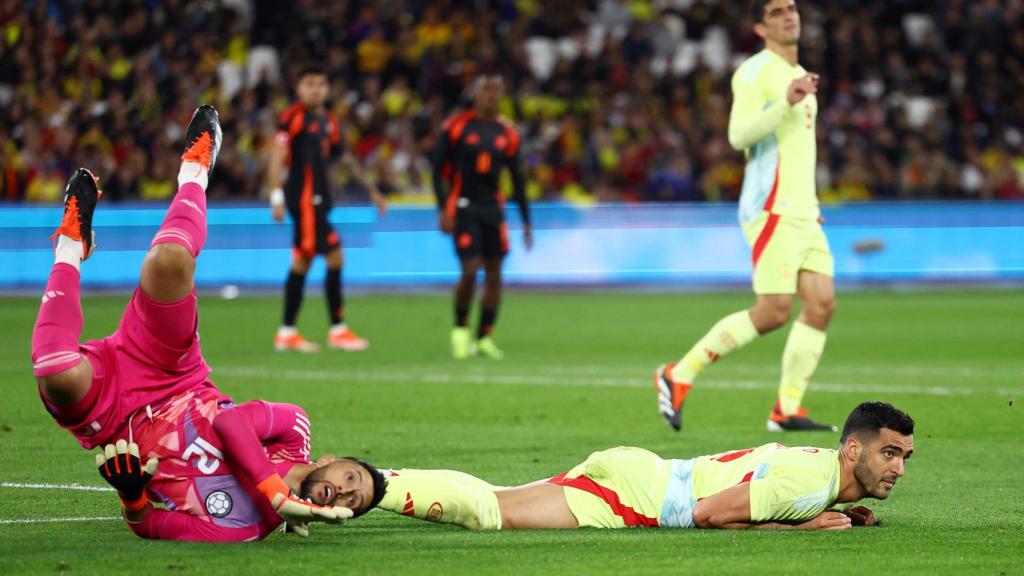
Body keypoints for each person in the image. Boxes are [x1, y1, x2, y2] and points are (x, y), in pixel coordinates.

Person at [31, 106, 384, 541]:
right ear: (329, 459)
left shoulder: (241, 527)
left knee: (55, 371)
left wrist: (132, 494)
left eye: (353, 501)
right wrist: (275, 492)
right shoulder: (294, 431)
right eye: (351, 477)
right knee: (169, 261)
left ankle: (69, 248)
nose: (344, 492)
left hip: (117, 421)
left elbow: (149, 525)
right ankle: (195, 170)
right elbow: (230, 424)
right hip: (172, 372)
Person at [656, 0, 837, 432]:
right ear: (760, 27)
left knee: (821, 305)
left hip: (802, 209)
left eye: (792, 8)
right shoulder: (755, 72)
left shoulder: (798, 74)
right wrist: (785, 103)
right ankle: (679, 373)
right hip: (772, 207)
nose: (789, 15)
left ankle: (786, 409)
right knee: (774, 311)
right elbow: (739, 136)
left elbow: (798, 150)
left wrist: (809, 201)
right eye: (776, 11)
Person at [362, 402, 912, 531]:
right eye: (888, 453)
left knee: (496, 495)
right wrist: (802, 528)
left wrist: (826, 512)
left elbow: (772, 491)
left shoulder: (819, 472)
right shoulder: (810, 484)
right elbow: (706, 514)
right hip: (632, 498)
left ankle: (363, 476)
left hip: (641, 474)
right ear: (851, 450)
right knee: (488, 513)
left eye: (904, 457)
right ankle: (360, 487)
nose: (899, 469)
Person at [267, 65, 388, 353]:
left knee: (308, 261)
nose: (315, 90)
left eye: (320, 84)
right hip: (305, 200)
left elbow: (343, 157)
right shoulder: (292, 117)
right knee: (329, 257)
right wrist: (276, 196)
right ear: (299, 88)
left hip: (320, 200)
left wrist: (371, 189)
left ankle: (291, 331)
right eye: (309, 84)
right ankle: (331, 330)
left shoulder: (328, 121)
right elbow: (276, 157)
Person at [432, 75, 532, 360]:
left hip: (493, 209)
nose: (491, 97)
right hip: (463, 207)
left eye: (496, 92)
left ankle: (484, 336)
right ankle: (460, 330)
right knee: (470, 269)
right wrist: (442, 208)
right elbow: (438, 171)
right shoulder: (456, 127)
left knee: (495, 273)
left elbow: (518, 179)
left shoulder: (508, 133)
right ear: (475, 94)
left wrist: (526, 222)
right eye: (485, 91)